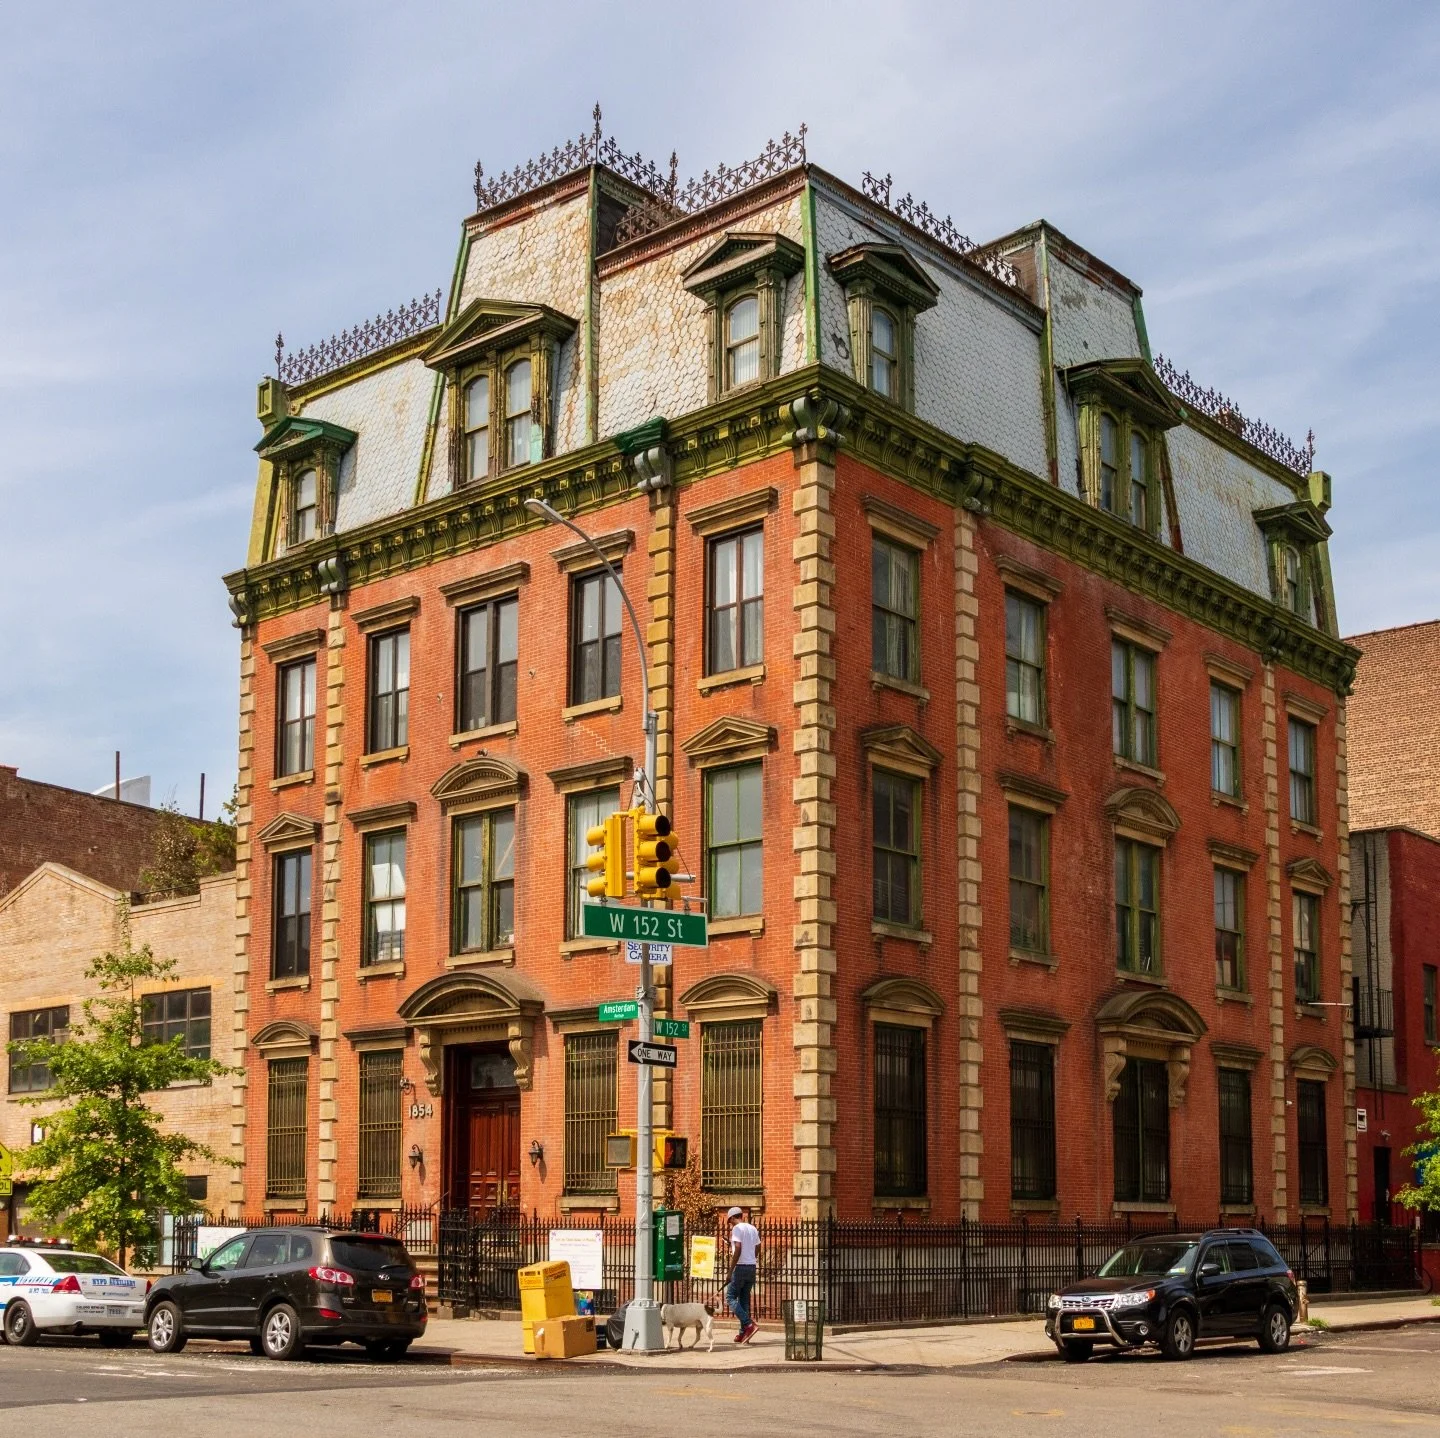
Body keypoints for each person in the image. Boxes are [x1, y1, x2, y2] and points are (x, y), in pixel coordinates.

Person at [723, 1205, 760, 1344]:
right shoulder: (752, 1228)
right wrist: (751, 1258)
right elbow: (757, 1246)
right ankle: (743, 1333)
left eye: (730, 1220)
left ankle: (749, 1324)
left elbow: (738, 1248)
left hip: (740, 1267)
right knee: (744, 1300)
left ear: (733, 1217)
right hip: (751, 1267)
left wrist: (730, 1270)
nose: (730, 1223)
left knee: (730, 1298)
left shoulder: (737, 1229)